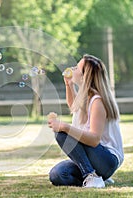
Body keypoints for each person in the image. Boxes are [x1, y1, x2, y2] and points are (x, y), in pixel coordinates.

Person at [48, 54, 124, 188]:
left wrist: (65, 127)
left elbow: (94, 139)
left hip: (107, 159)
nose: (73, 68)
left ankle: (91, 176)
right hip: (93, 159)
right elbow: (74, 106)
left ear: (84, 77)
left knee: (62, 134)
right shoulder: (87, 96)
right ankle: (97, 177)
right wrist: (69, 85)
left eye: (77, 68)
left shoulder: (97, 101)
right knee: (57, 174)